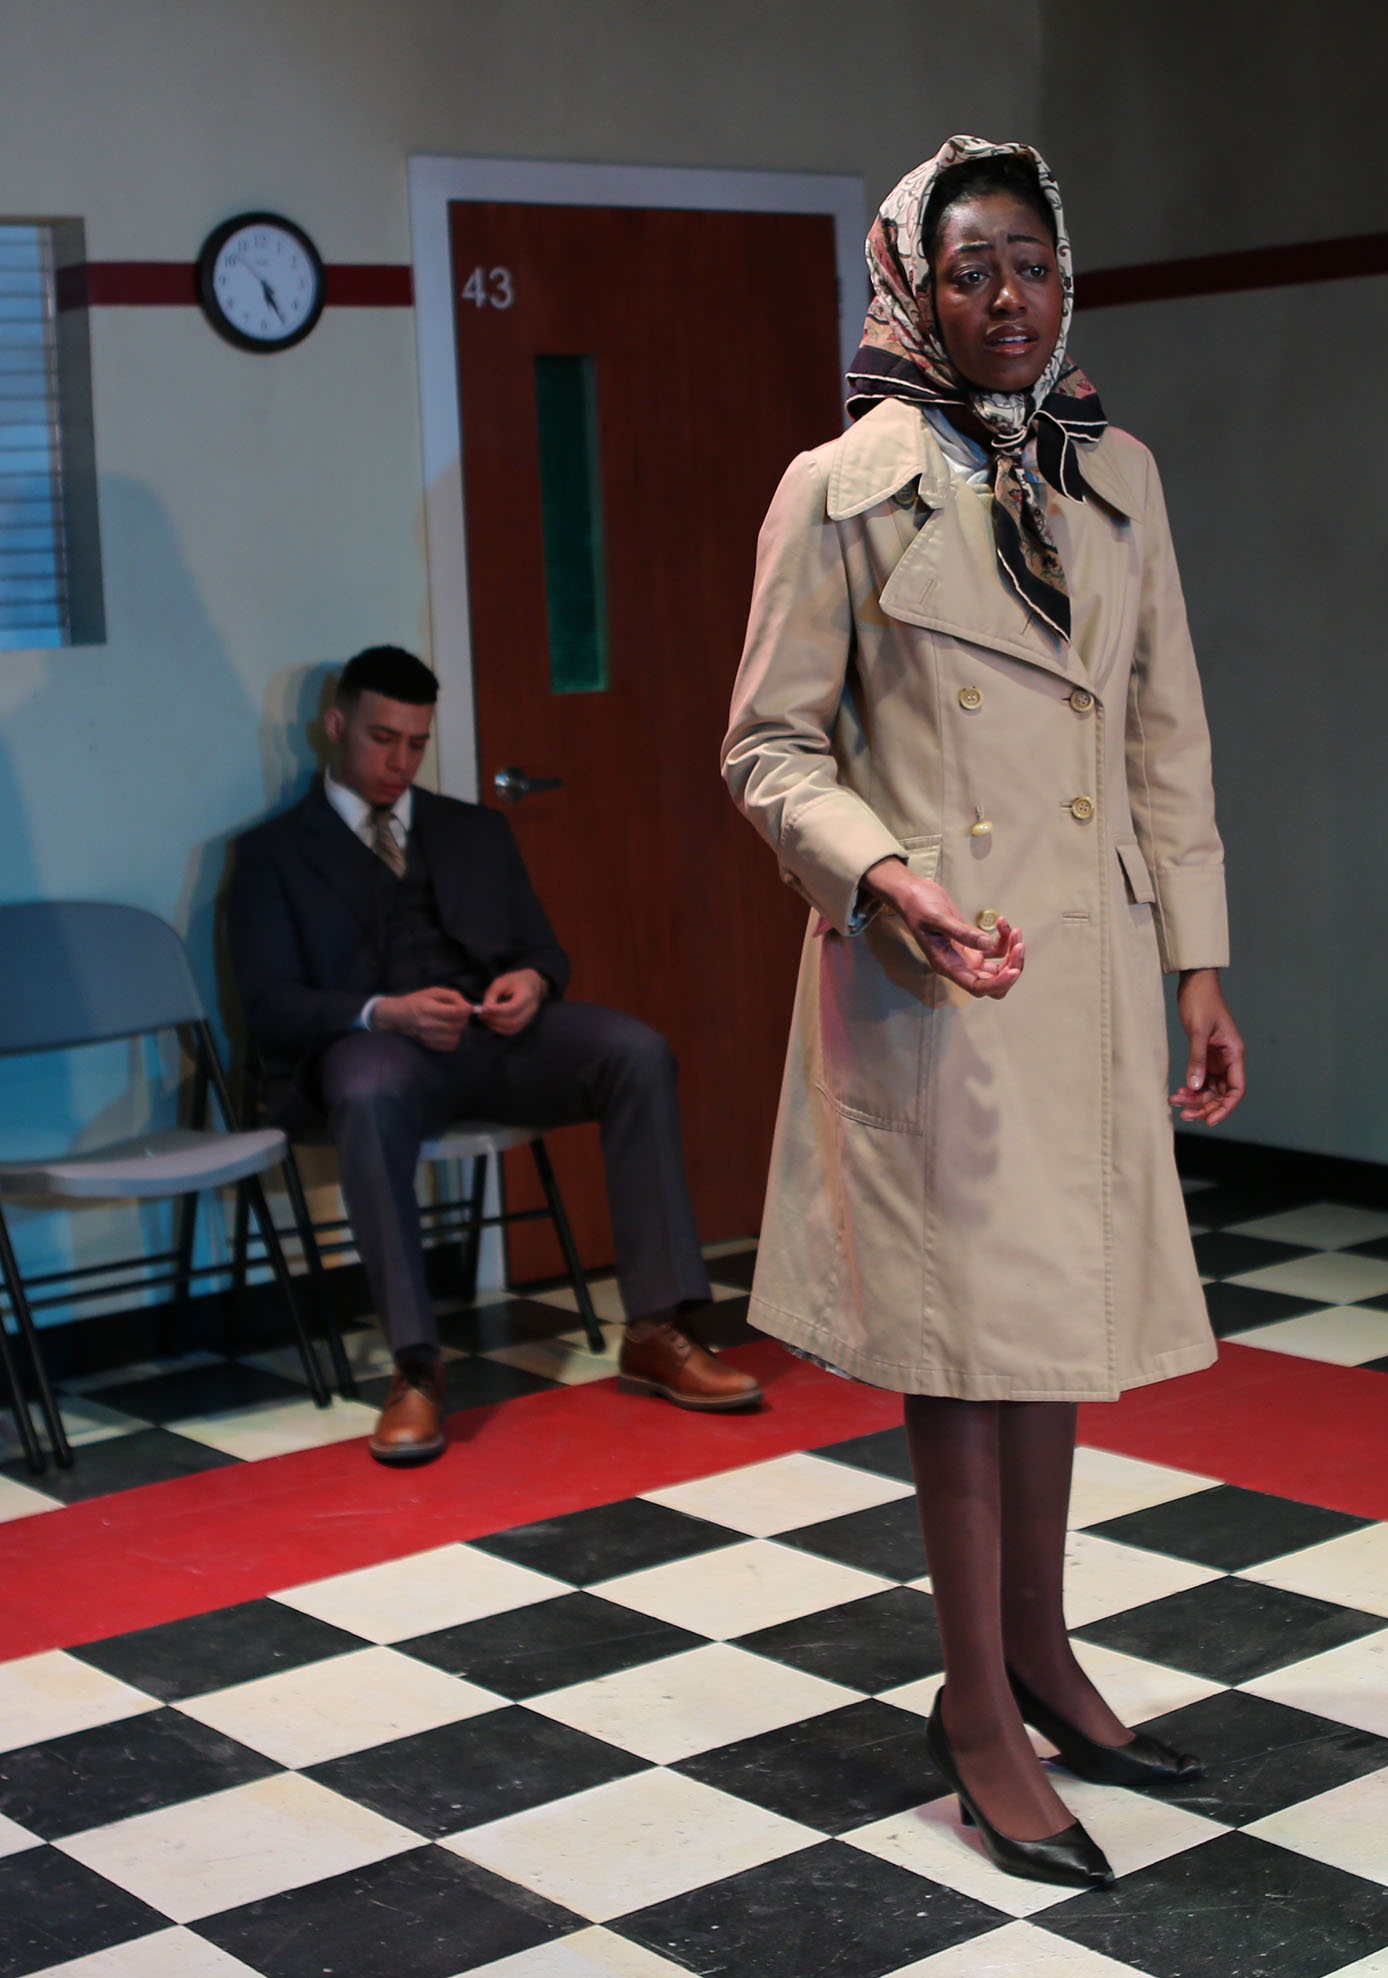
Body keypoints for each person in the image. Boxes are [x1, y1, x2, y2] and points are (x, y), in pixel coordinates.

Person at [724, 137, 1244, 1887]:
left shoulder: (1119, 475)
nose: (1009, 295)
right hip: (935, 971)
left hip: (1084, 968)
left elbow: (1165, 727)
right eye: (972, 269)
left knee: (1046, 1327)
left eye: (1032, 260)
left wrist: (1198, 957)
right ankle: (973, 1707)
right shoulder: (838, 489)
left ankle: (1040, 1651)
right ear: (913, 291)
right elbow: (767, 747)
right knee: (961, 1349)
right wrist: (884, 876)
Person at [230, 644, 760, 1465]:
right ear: (335, 726)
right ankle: (416, 1370)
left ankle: (658, 1329)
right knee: (366, 1094)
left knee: (634, 1051)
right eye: (381, 739)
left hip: (493, 1041)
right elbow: (269, 1007)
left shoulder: (472, 829)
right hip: (376, 1051)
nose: (400, 762)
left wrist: (532, 984)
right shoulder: (274, 853)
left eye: (416, 743)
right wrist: (383, 1012)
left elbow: (546, 952)